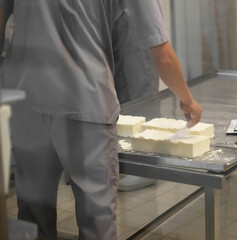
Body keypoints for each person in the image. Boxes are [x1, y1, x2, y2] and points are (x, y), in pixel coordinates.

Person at [0, 1, 201, 240]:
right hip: (85, 104)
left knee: (33, 218)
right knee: (96, 222)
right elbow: (162, 53)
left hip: (27, 99)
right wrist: (187, 99)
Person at [114, 0, 166, 192]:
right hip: (117, 29)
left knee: (141, 94)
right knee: (121, 97)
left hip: (135, 31)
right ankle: (128, 161)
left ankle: (146, 168)